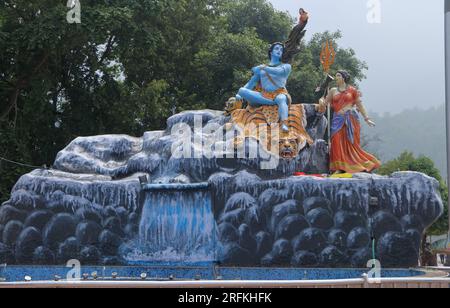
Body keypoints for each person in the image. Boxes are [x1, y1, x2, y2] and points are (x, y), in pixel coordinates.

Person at [317, 70, 381, 174]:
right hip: (337, 120)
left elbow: (360, 105)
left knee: (351, 145)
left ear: (343, 78)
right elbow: (324, 104)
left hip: (351, 120)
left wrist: (367, 118)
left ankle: (357, 165)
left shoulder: (352, 91)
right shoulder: (333, 90)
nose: (336, 77)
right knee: (336, 142)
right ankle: (338, 167)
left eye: (338, 76)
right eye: (336, 75)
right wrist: (321, 100)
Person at [235, 43, 292, 132]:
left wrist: (264, 68)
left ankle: (284, 123)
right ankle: (271, 103)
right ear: (271, 52)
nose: (279, 51)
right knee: (242, 90)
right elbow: (252, 82)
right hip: (264, 96)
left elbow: (278, 72)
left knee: (281, 99)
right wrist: (240, 95)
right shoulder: (261, 69)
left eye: (281, 50)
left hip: (279, 93)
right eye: (276, 49)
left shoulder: (286, 66)